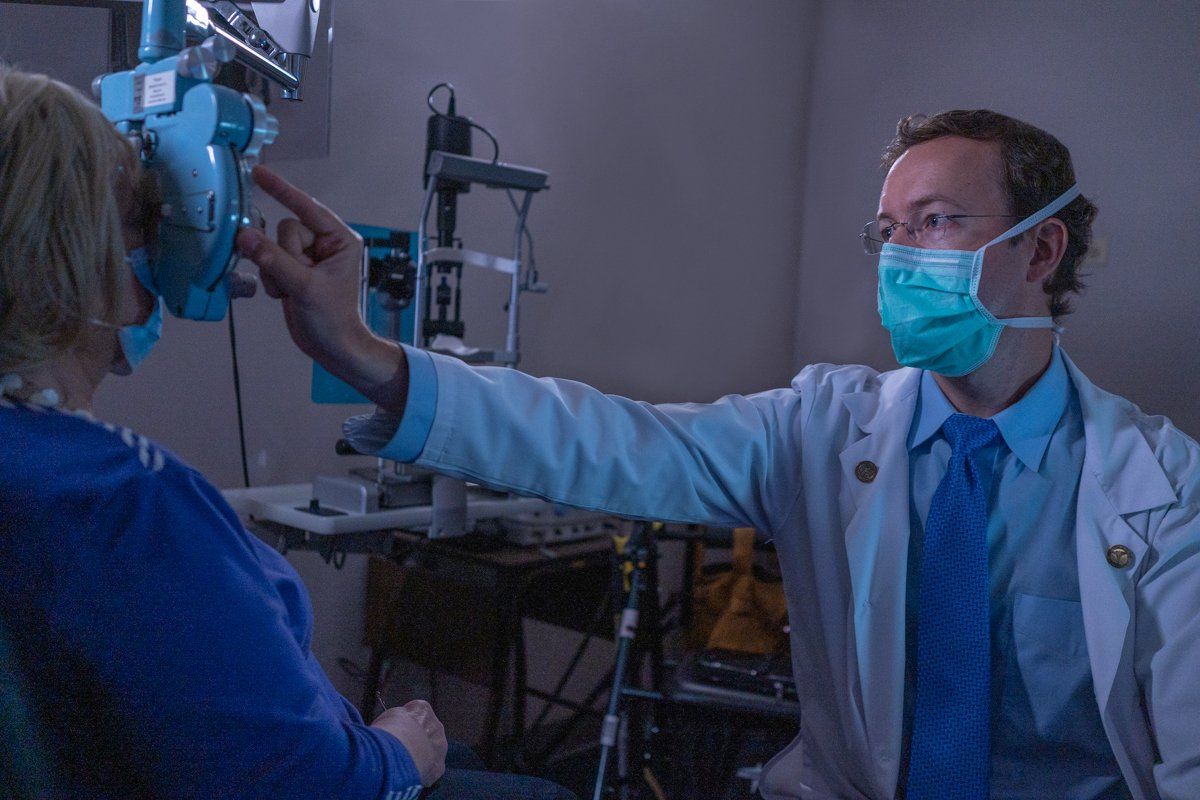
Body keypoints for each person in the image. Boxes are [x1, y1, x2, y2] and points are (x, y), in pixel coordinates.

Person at [235, 109, 1200, 800]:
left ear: (1041, 252)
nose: (901, 256)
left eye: (938, 222)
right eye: (888, 230)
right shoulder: (822, 427)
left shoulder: (1163, 491)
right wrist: (367, 359)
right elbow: (607, 442)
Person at [0, 69, 576, 799]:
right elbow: (307, 782)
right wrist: (399, 754)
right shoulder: (127, 501)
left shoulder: (50, 475)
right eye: (144, 218)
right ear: (72, 255)